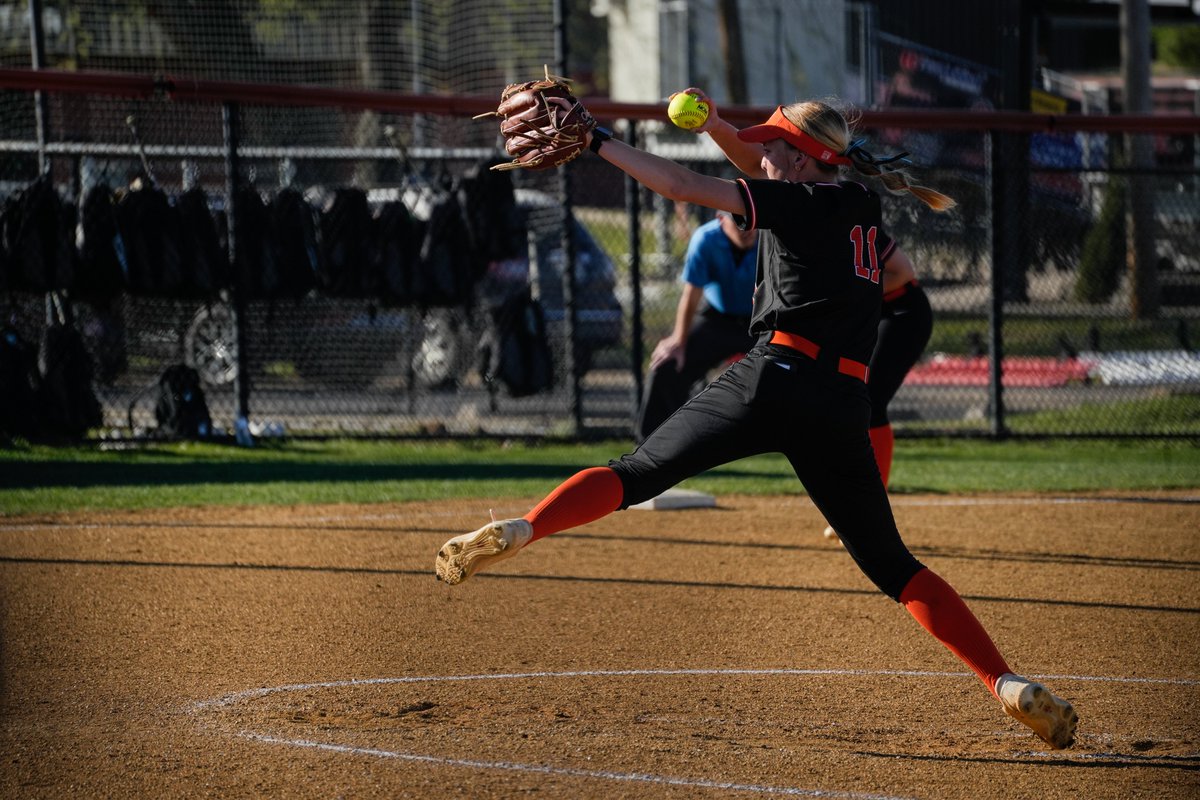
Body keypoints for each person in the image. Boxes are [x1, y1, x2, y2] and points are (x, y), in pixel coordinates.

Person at [435, 92, 1078, 750]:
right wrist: (717, 126)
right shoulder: (856, 202)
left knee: (637, 472)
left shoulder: (792, 201)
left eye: (775, 145)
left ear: (803, 161)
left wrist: (598, 138)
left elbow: (681, 183)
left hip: (772, 378)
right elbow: (764, 165)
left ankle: (525, 527)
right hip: (840, 402)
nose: (762, 154)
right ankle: (1004, 683)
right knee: (893, 565)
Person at [822, 239, 934, 541]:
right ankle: (853, 505)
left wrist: (849, 293)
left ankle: (869, 509)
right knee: (841, 401)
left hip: (901, 311)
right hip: (866, 318)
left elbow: (903, 272)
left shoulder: (850, 217)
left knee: (869, 401)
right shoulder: (804, 224)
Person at [637, 211, 758, 443]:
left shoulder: (771, 237)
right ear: (721, 219)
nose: (747, 229)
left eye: (752, 222)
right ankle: (652, 445)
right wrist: (678, 341)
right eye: (739, 222)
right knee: (667, 364)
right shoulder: (705, 239)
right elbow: (691, 295)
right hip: (717, 319)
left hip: (762, 322)